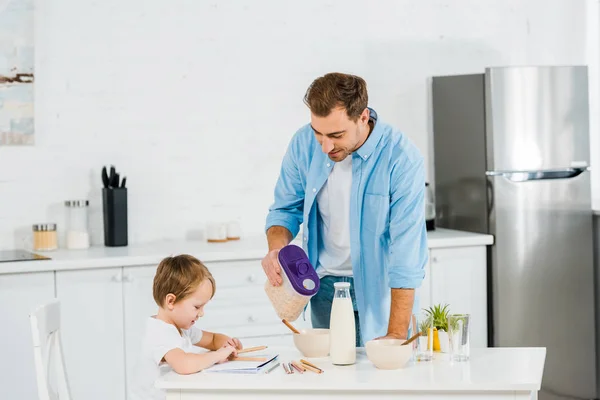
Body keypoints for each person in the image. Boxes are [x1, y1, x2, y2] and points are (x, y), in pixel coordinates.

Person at [262, 72, 428, 346]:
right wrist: (276, 249)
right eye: (319, 133)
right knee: (332, 380)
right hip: (323, 287)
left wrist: (397, 334)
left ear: (363, 117)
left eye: (336, 135)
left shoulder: (402, 158)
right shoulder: (303, 143)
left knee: (383, 380)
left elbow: (406, 253)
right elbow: (284, 209)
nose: (326, 146)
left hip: (383, 291)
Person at [128, 254, 243, 400]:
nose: (201, 313)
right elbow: (184, 364)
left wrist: (227, 344)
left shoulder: (181, 328)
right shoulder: (158, 333)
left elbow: (213, 340)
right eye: (197, 307)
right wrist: (217, 355)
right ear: (171, 301)